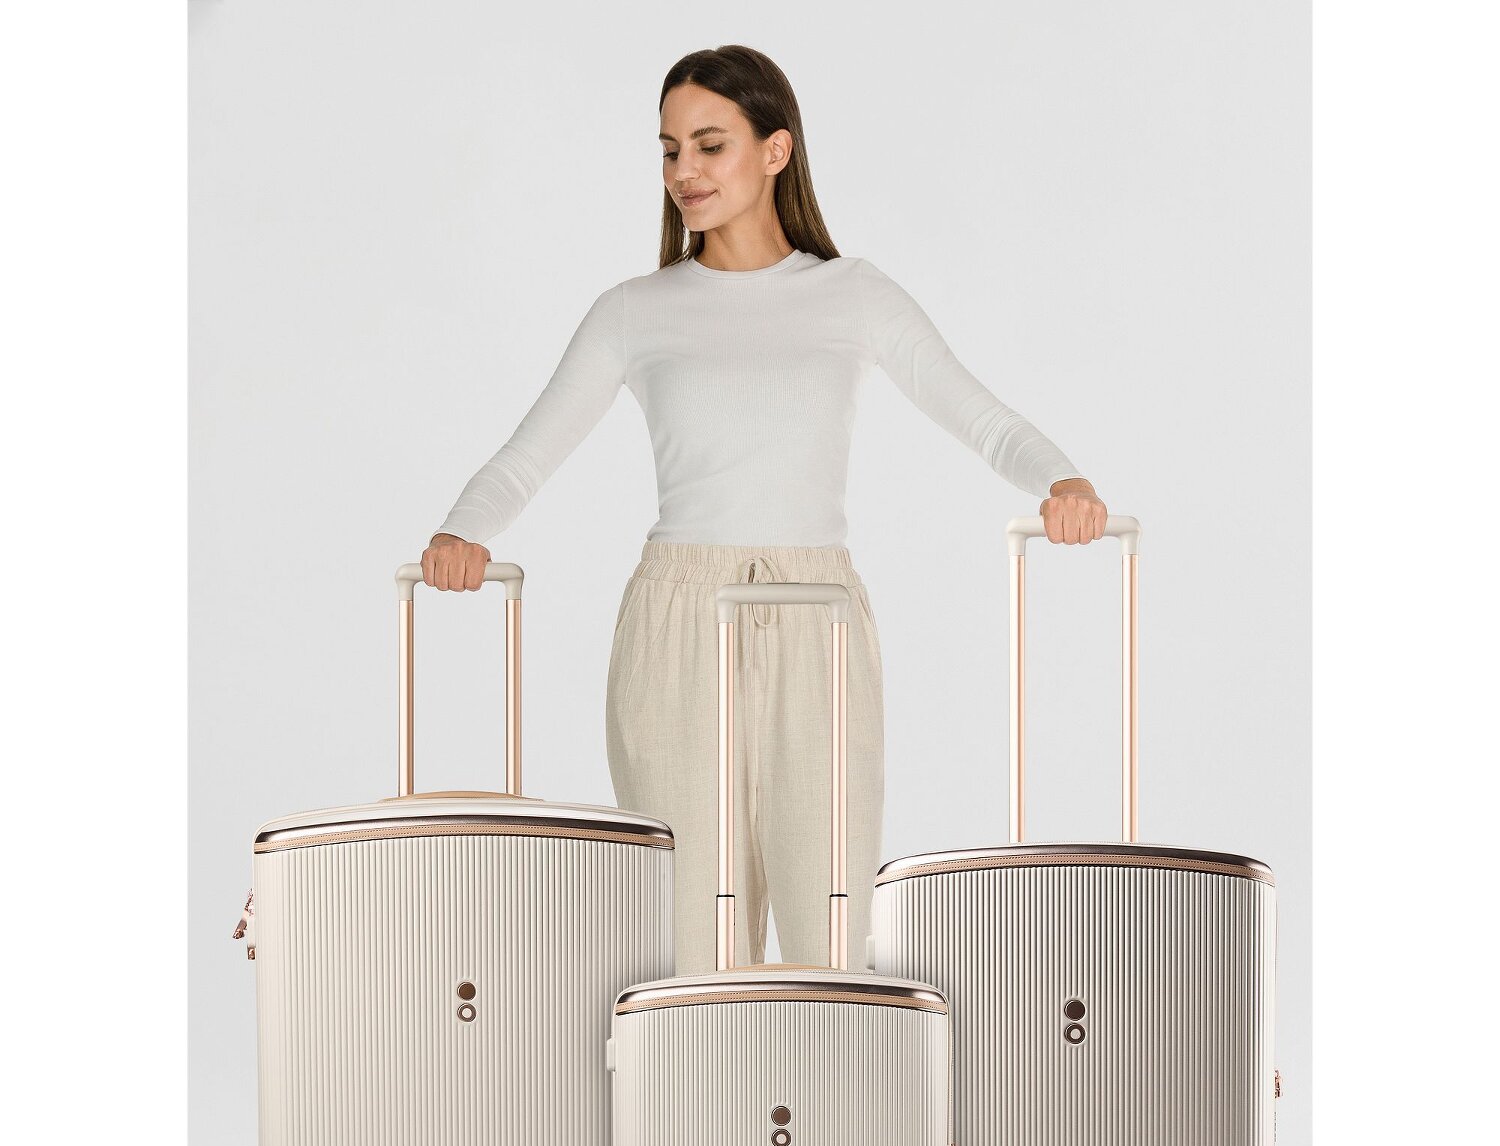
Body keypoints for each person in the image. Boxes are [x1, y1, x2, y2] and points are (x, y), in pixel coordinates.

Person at [423, 45, 1108, 972]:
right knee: (690, 945)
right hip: (679, 622)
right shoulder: (634, 310)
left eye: (710, 145)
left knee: (832, 933)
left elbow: (980, 416)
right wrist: (462, 530)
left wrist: (1063, 481)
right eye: (670, 150)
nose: (685, 172)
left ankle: (836, 1075)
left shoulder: (853, 295)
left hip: (817, 620)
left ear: (775, 150)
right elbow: (528, 452)